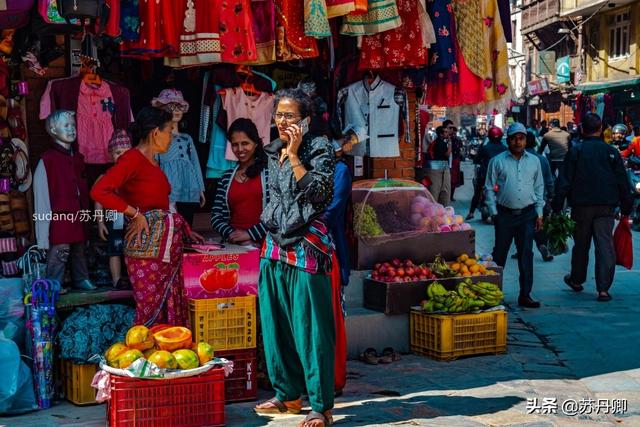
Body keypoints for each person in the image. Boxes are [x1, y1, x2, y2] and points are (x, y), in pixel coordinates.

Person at [254, 89, 336, 427]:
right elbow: (273, 196)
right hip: (274, 244)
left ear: (305, 120)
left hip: (306, 246)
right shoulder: (271, 153)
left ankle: (321, 405)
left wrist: (296, 153)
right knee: (277, 326)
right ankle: (287, 395)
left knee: (311, 329)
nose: (282, 121)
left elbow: (320, 193)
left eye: (289, 116)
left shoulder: (320, 149)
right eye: (279, 115)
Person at [91, 107, 204, 326]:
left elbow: (159, 204)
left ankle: (166, 355)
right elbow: (99, 191)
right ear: (155, 133)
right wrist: (134, 214)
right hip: (145, 252)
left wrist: (184, 231)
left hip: (164, 250)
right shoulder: (131, 159)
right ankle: (146, 357)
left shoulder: (154, 161)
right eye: (169, 131)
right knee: (148, 313)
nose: (171, 137)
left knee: (167, 311)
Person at [553, 112, 633, 302]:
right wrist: (626, 206)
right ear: (601, 129)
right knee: (605, 245)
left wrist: (557, 206)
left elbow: (564, 181)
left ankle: (577, 279)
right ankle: (603, 289)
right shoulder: (611, 152)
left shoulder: (576, 151)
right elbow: (623, 181)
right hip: (606, 206)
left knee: (581, 245)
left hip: (581, 206)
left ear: (582, 129)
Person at [485, 122, 545, 308]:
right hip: (504, 215)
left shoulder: (535, 161)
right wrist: (494, 213)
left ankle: (525, 294)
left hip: (527, 214)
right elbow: (488, 188)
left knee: (526, 254)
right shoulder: (497, 161)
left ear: (526, 140)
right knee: (499, 255)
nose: (518, 142)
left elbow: (539, 188)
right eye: (514, 138)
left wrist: (539, 213)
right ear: (508, 140)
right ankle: (493, 293)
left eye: (521, 138)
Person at [323, 122, 364, 397]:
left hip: (330, 250)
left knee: (332, 318)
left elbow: (332, 211)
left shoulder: (339, 171)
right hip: (306, 250)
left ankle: (332, 378)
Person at [210, 118, 269, 245]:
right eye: (235, 144)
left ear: (256, 143)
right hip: (234, 246)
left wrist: (250, 234)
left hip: (266, 246)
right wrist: (233, 235)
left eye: (245, 143)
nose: (240, 149)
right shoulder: (226, 177)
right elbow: (216, 216)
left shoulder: (270, 174)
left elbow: (278, 214)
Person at [153, 89, 206, 227]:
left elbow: (195, 163)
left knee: (187, 218)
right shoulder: (157, 137)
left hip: (189, 183)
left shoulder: (187, 138)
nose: (176, 110)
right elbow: (154, 162)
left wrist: (200, 189)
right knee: (171, 218)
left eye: (179, 107)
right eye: (171, 107)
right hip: (169, 184)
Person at [95, 130, 132, 289]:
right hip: (115, 218)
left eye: (126, 152)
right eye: (118, 152)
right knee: (115, 248)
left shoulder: (136, 175)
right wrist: (100, 222)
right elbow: (97, 200)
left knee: (133, 250)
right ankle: (117, 280)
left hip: (132, 218)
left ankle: (133, 278)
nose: (122, 156)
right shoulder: (105, 177)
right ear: (111, 155)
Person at [511, 132, 554, 262]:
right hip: (540, 199)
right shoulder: (542, 159)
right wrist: (551, 195)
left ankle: (521, 250)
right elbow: (549, 180)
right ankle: (542, 244)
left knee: (521, 227)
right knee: (540, 224)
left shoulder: (514, 159)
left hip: (521, 200)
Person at [467, 126, 507, 220]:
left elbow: (476, 159)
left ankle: (471, 212)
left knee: (477, 192)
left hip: (486, 175)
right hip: (500, 176)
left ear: (489, 136)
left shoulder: (485, 148)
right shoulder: (505, 148)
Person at [424, 125, 451, 206]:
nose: (447, 133)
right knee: (438, 194)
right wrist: (450, 144)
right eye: (445, 132)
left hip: (435, 170)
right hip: (438, 170)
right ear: (441, 134)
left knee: (435, 193)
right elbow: (447, 154)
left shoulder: (436, 142)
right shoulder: (441, 143)